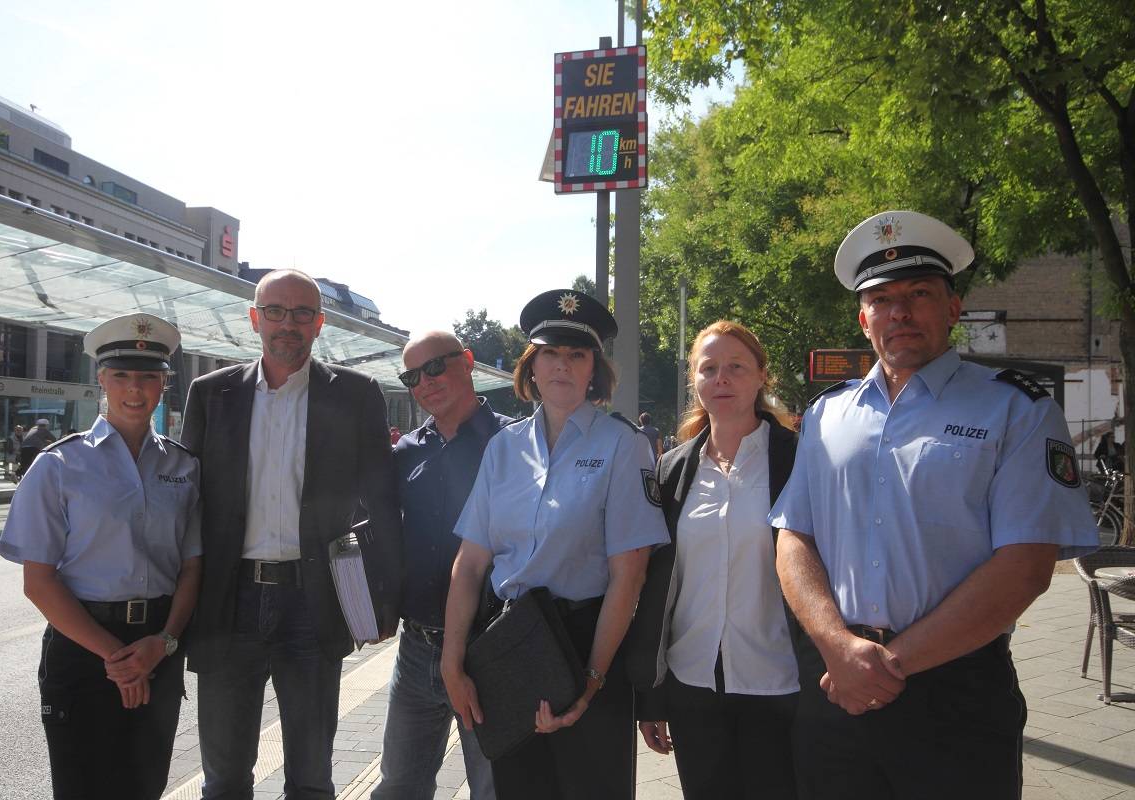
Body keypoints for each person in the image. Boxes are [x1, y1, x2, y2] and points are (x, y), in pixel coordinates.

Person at [769, 210, 1098, 799]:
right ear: (863, 316)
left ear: (953, 307)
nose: (901, 311)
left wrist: (884, 665)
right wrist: (838, 648)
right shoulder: (826, 415)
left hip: (957, 692)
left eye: (920, 293)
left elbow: (1026, 563)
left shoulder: (1016, 410)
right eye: (883, 298)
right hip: (836, 684)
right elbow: (794, 537)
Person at [181, 268, 403, 800]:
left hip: (314, 602)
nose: (288, 324)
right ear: (255, 319)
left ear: (319, 324)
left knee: (310, 775)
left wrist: (384, 600)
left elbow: (384, 502)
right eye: (275, 312)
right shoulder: (211, 395)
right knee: (225, 778)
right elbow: (183, 505)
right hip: (228, 602)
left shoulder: (355, 394)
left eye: (302, 313)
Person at [440, 289, 671, 800]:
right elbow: (471, 563)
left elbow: (628, 575)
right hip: (508, 639)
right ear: (532, 365)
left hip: (586, 638)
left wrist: (590, 680)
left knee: (591, 786)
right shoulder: (503, 449)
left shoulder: (622, 444)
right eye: (550, 353)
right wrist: (452, 661)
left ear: (595, 370)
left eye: (576, 355)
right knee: (518, 788)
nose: (562, 366)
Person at [0, 313, 202, 800]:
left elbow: (192, 566)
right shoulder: (59, 465)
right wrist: (116, 657)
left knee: (145, 785)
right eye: (123, 375)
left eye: (149, 376)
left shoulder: (184, 466)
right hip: (84, 649)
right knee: (83, 787)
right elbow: (39, 582)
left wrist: (165, 642)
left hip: (158, 646)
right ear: (101, 381)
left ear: (164, 384)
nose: (136, 389)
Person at [631, 321, 800, 799]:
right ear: (695, 381)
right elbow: (657, 587)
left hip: (779, 682)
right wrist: (652, 694)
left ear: (762, 377)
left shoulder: (798, 460)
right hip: (693, 683)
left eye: (736, 367)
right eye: (709, 369)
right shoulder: (672, 469)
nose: (722, 379)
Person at [372, 331, 512, 800]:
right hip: (416, 648)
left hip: (490, 646)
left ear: (467, 361)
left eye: (435, 367)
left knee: (494, 787)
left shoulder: (512, 442)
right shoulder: (407, 451)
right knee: (399, 785)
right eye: (412, 376)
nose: (425, 382)